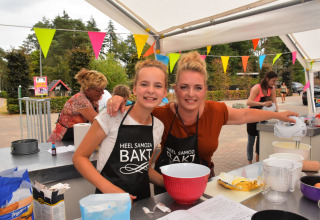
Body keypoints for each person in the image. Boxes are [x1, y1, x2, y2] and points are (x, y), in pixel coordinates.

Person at [107, 51, 298, 194]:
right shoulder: (159, 114)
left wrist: (276, 116)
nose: (191, 94)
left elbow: (245, 115)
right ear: (174, 90)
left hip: (203, 185)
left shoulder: (216, 111)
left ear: (205, 89)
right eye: (184, 87)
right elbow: (136, 110)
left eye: (197, 88)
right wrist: (118, 101)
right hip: (166, 188)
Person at [73, 59, 168, 202]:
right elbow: (80, 158)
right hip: (109, 203)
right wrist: (111, 191)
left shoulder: (158, 127)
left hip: (142, 203)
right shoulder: (111, 116)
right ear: (134, 89)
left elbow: (144, 169)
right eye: (144, 84)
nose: (150, 90)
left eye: (158, 85)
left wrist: (169, 183)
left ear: (164, 92)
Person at [48, 68, 108, 142]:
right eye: (99, 90)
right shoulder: (80, 100)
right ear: (87, 90)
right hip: (61, 140)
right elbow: (98, 122)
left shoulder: (93, 100)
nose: (102, 93)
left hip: (73, 136)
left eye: (103, 89)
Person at [246, 71, 279, 164]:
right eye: (273, 81)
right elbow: (248, 102)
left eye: (276, 81)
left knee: (260, 141)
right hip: (252, 115)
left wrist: (276, 113)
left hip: (262, 117)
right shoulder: (257, 88)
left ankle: (258, 161)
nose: (274, 83)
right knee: (251, 141)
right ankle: (249, 162)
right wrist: (263, 103)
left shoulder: (272, 90)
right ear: (267, 79)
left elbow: (275, 105)